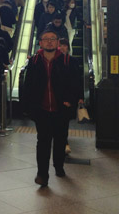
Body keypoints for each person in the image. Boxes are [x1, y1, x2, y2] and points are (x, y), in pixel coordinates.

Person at [21, 30, 78, 187]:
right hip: (42, 109)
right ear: (40, 42)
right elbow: (28, 86)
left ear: (58, 42)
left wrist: (70, 101)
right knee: (43, 141)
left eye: (53, 39)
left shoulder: (68, 61)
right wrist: (28, 107)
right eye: (46, 39)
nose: (49, 42)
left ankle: (58, 166)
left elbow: (76, 84)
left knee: (60, 140)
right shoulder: (34, 61)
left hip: (61, 109)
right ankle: (42, 174)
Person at [58, 38, 84, 155]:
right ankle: (63, 142)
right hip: (58, 97)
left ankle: (64, 142)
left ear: (68, 47)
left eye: (64, 45)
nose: (62, 48)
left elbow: (78, 79)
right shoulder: (54, 61)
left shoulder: (73, 61)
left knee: (64, 121)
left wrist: (79, 96)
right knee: (60, 121)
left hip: (69, 96)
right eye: (60, 45)